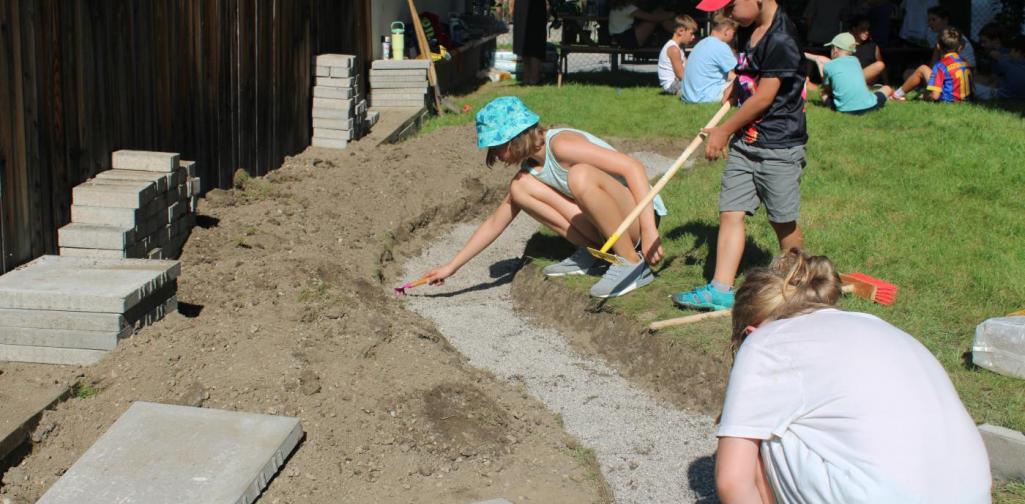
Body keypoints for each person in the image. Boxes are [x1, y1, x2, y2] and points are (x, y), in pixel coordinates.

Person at [714, 249, 992, 504]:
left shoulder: (764, 341)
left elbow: (732, 481)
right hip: (972, 494)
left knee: (757, 433)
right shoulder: (877, 327)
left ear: (750, 331)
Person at [423, 96, 668, 298]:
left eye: (496, 146)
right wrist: (451, 267)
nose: (494, 155)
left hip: (637, 216)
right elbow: (494, 223)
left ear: (514, 138)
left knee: (580, 175)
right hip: (609, 229)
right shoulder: (530, 170)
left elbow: (633, 168)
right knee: (519, 189)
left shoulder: (561, 145)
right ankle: (595, 253)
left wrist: (649, 231)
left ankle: (630, 262)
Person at [673, 0, 808, 311]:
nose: (726, 14)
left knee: (782, 220)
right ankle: (721, 289)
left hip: (778, 145)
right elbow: (750, 76)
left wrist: (723, 130)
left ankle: (799, 284)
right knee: (731, 211)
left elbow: (764, 98)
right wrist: (737, 86)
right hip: (746, 143)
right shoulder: (750, 31)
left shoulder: (781, 39)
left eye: (731, 5)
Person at [891, 27, 973, 102]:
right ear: (959, 47)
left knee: (923, 68)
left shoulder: (941, 65)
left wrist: (926, 96)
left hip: (948, 102)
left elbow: (935, 96)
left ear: (938, 46)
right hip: (965, 101)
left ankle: (896, 95)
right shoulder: (965, 62)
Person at [820, 32, 892, 113]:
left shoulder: (828, 66)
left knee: (823, 95)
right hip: (871, 106)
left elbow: (827, 89)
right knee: (887, 88)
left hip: (846, 110)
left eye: (831, 48)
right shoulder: (856, 60)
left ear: (835, 50)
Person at [682, 14, 739, 104]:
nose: (733, 36)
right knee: (746, 84)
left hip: (689, 96)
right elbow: (738, 74)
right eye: (733, 33)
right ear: (727, 31)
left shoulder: (701, 44)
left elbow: (728, 75)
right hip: (707, 96)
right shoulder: (721, 46)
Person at [608, 0, 677, 49]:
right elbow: (653, 18)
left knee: (658, 15)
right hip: (626, 40)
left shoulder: (616, 8)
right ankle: (679, 33)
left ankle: (678, 33)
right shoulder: (629, 8)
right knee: (655, 19)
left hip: (616, 38)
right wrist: (672, 14)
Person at [976, 35, 1025, 101]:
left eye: (1011, 50)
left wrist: (999, 58)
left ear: (1019, 52)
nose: (1009, 52)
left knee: (971, 84)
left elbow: (993, 77)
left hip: (1002, 96)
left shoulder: (1008, 63)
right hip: (1018, 96)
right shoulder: (1013, 64)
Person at [657, 16, 698, 95]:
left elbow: (688, 66)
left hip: (677, 83)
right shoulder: (673, 49)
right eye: (691, 34)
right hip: (672, 87)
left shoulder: (679, 48)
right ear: (680, 31)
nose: (693, 37)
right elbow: (681, 75)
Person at [513, 0, 548, 85]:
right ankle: (531, 77)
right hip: (530, 7)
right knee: (530, 42)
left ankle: (530, 77)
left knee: (528, 41)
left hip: (528, 7)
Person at [850, 15, 887, 84]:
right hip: (853, 80)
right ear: (854, 29)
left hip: (870, 82)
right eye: (862, 29)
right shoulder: (847, 46)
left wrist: (886, 84)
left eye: (868, 29)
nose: (867, 32)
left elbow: (882, 69)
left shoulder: (873, 46)